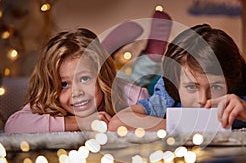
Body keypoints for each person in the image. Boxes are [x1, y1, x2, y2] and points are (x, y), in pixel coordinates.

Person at [108, 24, 246, 131]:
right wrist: (182, 126)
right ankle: (151, 51)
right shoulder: (167, 97)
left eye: (216, 87)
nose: (203, 100)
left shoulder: (236, 102)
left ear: (229, 83)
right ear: (175, 84)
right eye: (191, 87)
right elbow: (117, 122)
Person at [5, 28, 149, 133]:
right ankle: (107, 50)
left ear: (100, 77)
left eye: (85, 79)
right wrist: (81, 122)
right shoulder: (51, 101)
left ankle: (147, 53)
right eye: (64, 84)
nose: (77, 92)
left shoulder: (132, 95)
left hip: (120, 83)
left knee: (147, 76)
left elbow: (158, 124)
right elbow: (13, 125)